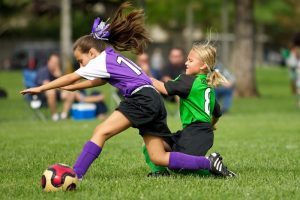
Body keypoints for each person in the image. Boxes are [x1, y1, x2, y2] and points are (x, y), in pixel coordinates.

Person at [20, 2, 233, 180]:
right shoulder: (111, 58)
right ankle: (207, 164)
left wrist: (42, 87)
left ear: (92, 53)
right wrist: (68, 86)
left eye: (80, 60)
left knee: (101, 132)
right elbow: (96, 82)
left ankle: (75, 175)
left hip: (141, 99)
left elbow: (73, 75)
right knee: (158, 156)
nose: (81, 64)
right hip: (153, 100)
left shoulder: (101, 59)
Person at [144, 42, 236, 177]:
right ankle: (160, 173)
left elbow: (164, 88)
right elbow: (217, 111)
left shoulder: (189, 81)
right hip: (195, 133)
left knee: (180, 167)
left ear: (203, 65)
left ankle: (214, 169)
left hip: (195, 134)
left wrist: (142, 77)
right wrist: (211, 124)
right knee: (152, 142)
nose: (186, 63)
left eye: (190, 60)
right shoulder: (207, 86)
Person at [36, 53, 75, 121]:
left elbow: (65, 85)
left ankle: (64, 116)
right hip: (42, 95)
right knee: (51, 92)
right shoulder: (43, 71)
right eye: (53, 62)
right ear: (48, 62)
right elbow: (47, 86)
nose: (55, 64)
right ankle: (55, 116)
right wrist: (60, 87)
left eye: (57, 63)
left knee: (70, 93)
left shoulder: (58, 72)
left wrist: (59, 76)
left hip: (57, 93)